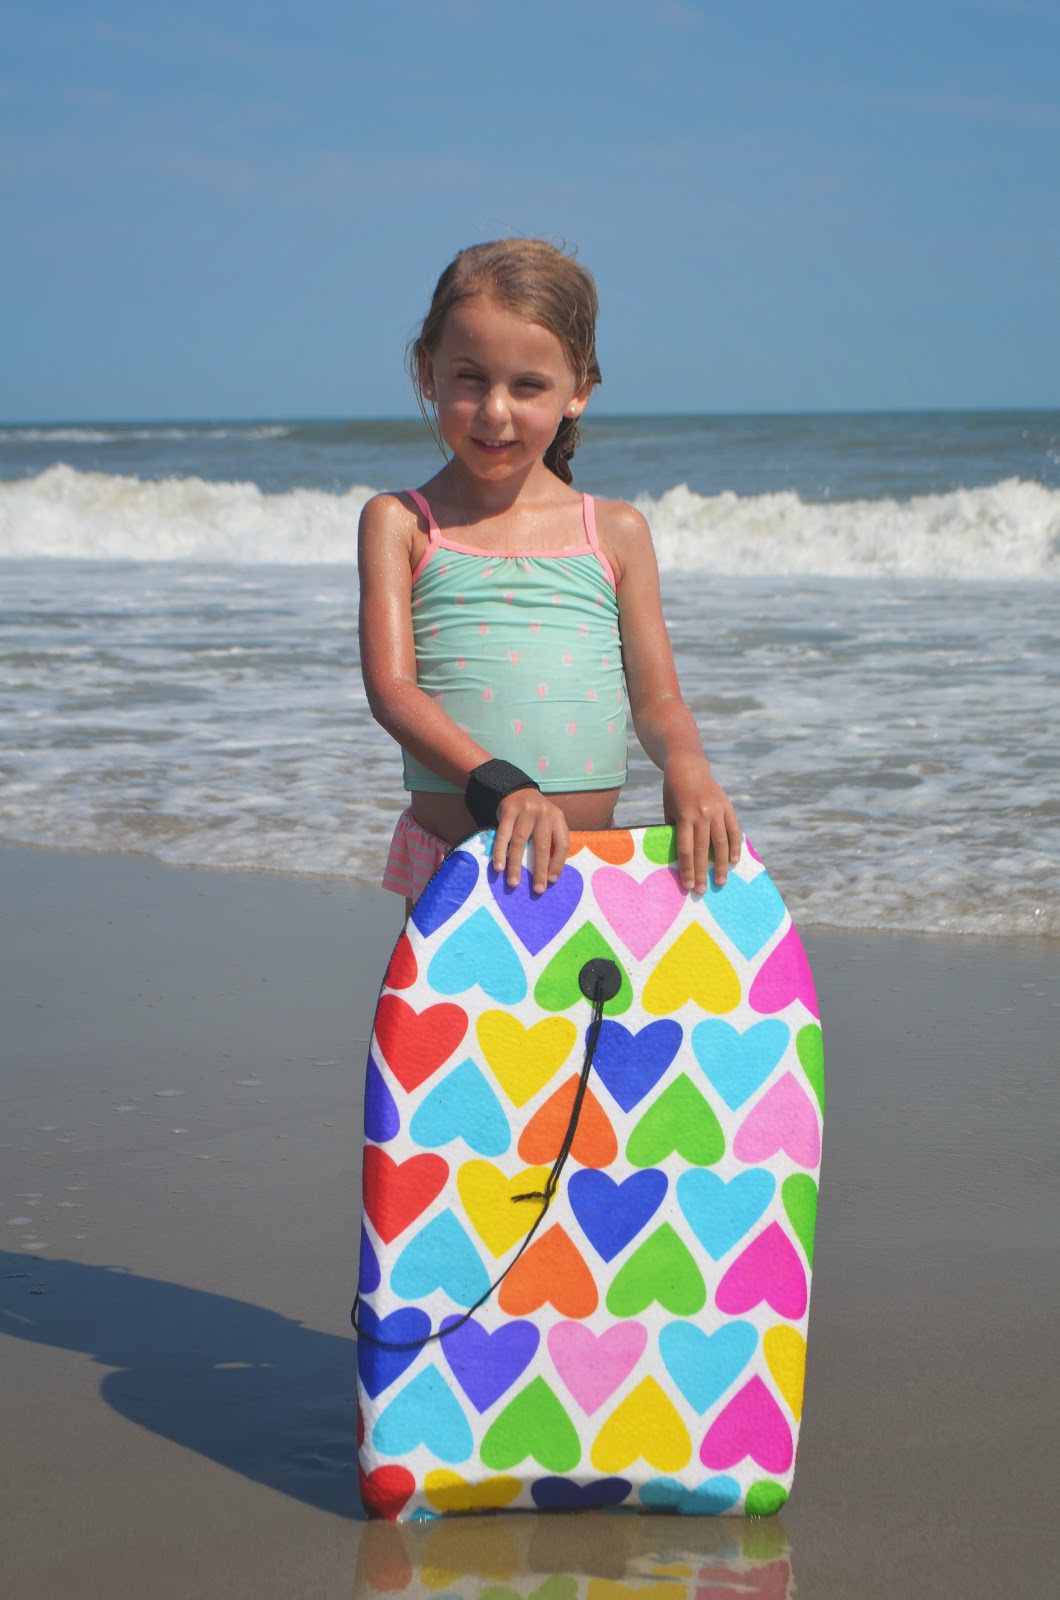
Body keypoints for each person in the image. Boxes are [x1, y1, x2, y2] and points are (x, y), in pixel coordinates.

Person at [358, 239, 741, 911]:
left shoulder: (615, 532)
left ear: (578, 391)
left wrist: (688, 763)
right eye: (471, 378)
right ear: (428, 371)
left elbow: (658, 702)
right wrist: (501, 785)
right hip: (457, 865)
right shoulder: (403, 522)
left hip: (592, 866)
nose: (495, 410)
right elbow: (393, 691)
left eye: (528, 386)